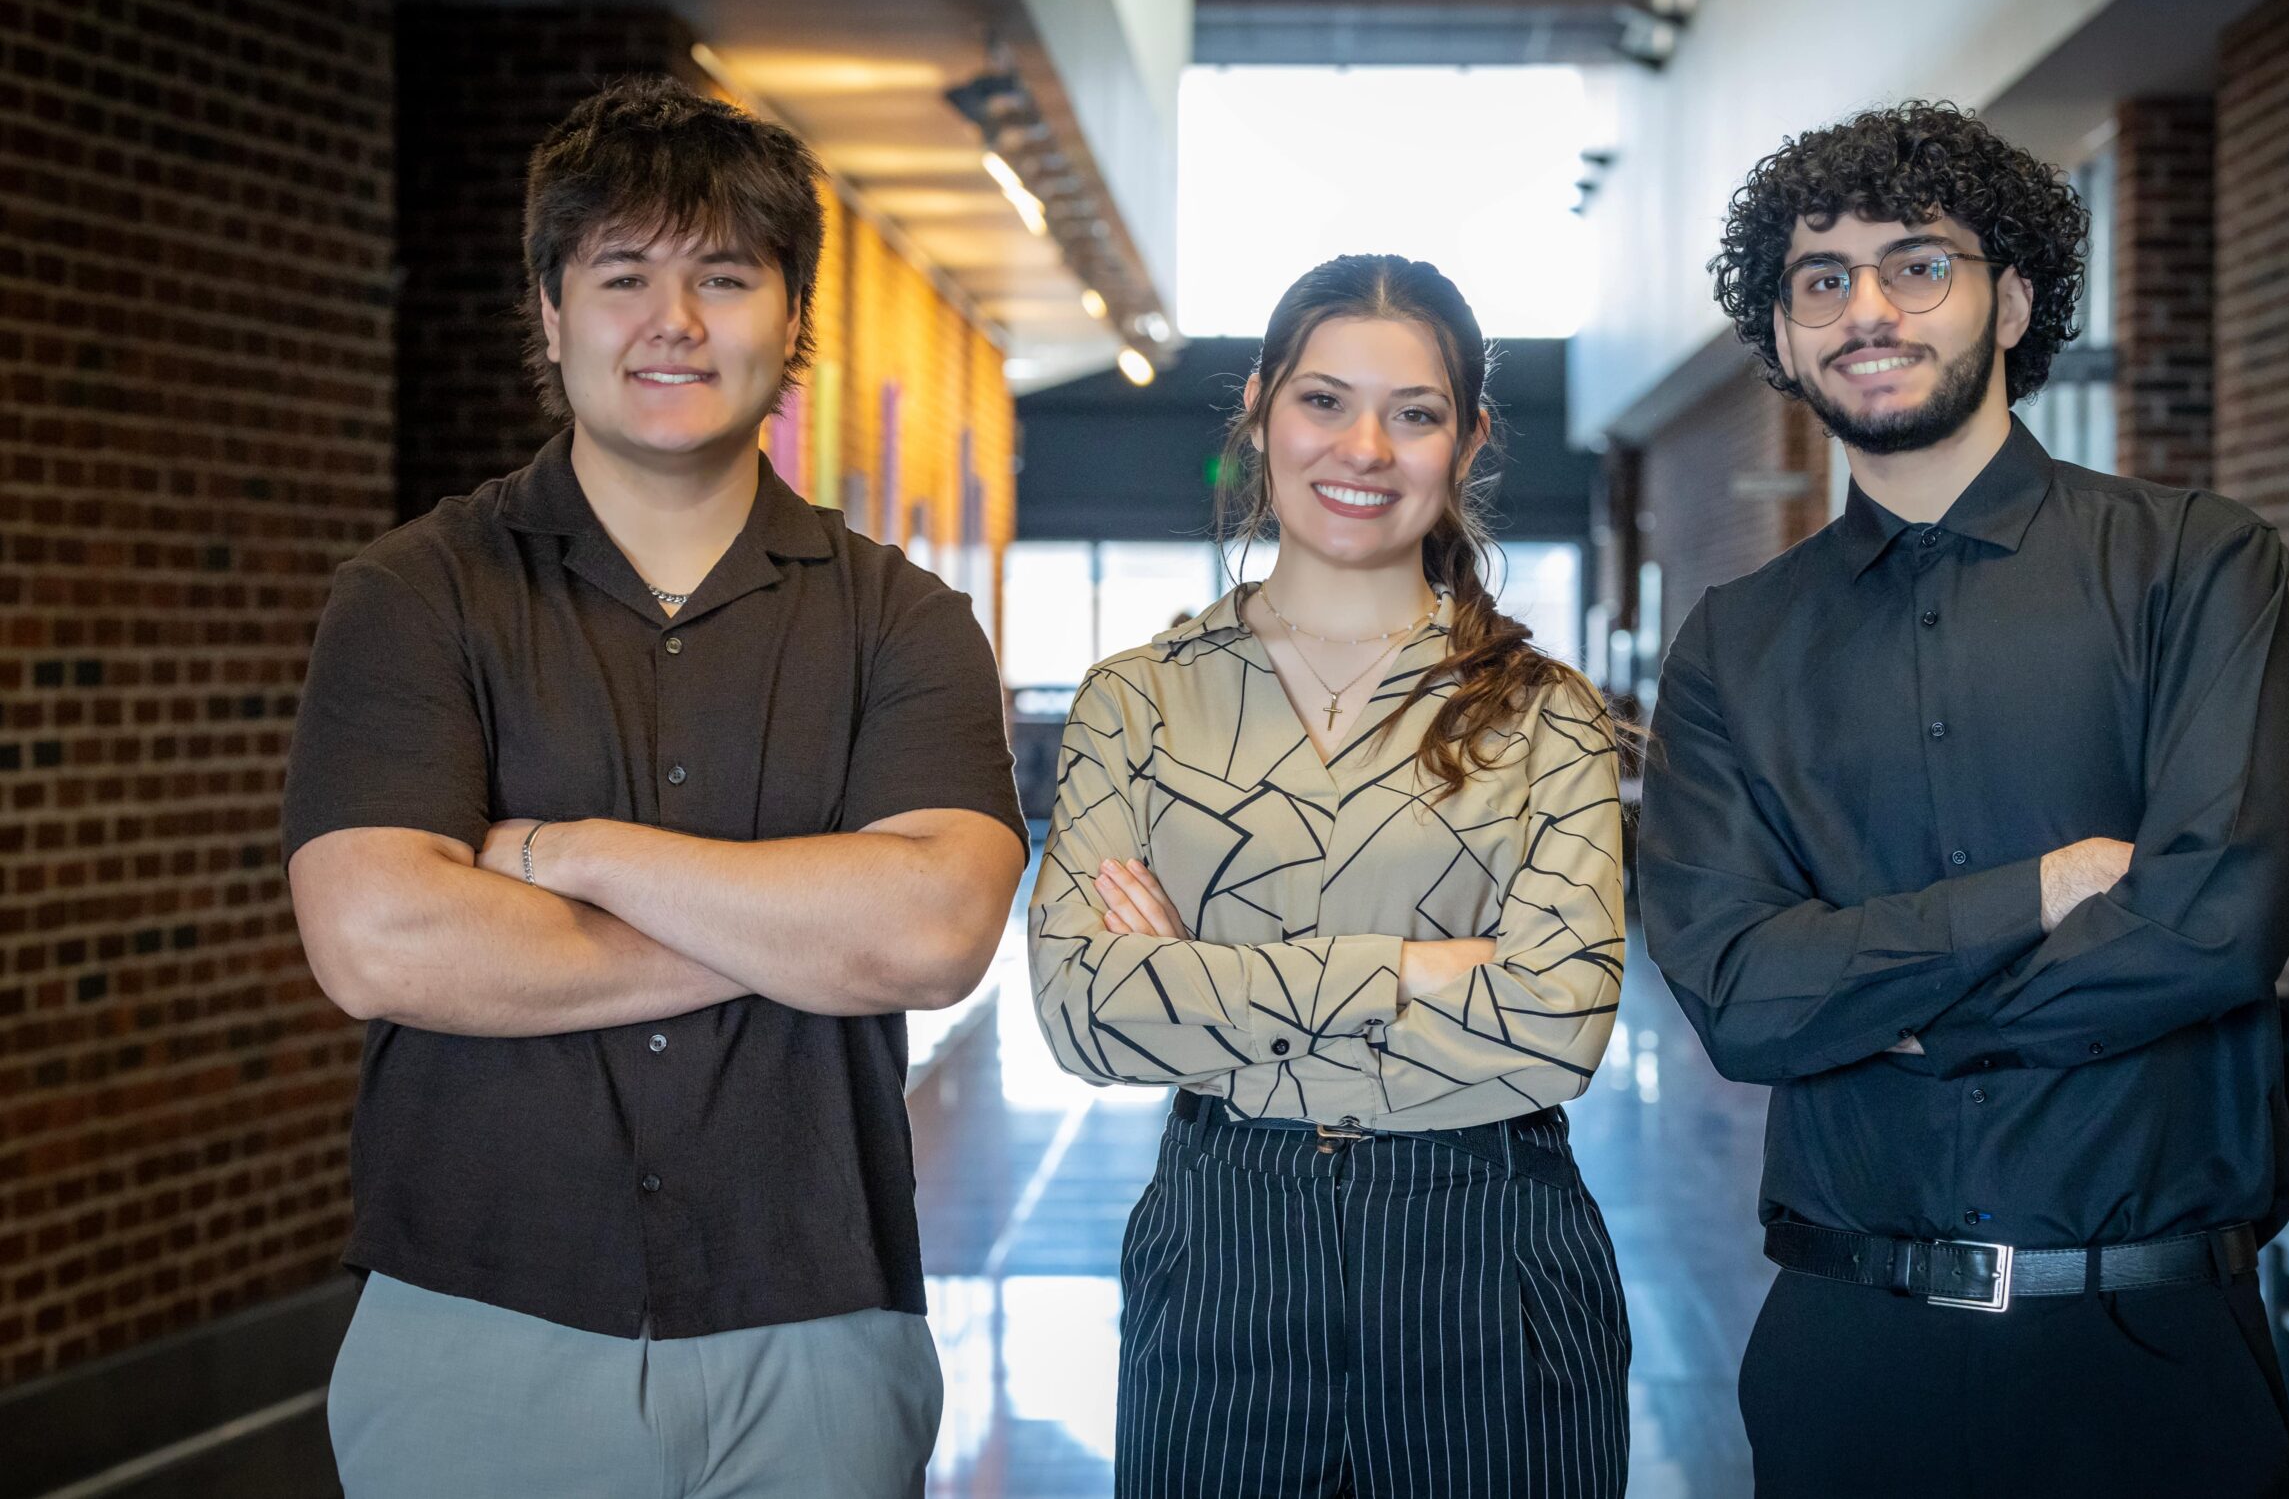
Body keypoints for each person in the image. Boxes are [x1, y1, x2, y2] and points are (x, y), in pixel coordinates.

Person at [282, 76, 1026, 1498]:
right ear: (551, 313)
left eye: (725, 278)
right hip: (479, 1322)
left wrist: (567, 851)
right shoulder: (413, 594)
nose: (673, 323)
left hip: (820, 1325)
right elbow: (380, 940)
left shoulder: (904, 621)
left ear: (793, 320)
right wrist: (795, 927)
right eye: (623, 275)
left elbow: (930, 936)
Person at [1637, 101, 2289, 1499]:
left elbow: (2214, 922)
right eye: (1821, 280)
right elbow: (1741, 999)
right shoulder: (1733, 642)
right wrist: (2034, 894)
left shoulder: (2195, 564)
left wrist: (1880, 1011)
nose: (1866, 308)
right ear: (1780, 335)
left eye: (1916, 264)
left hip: (2153, 1359)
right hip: (1849, 1358)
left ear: (2010, 299)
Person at [1031, 254, 1632, 1498]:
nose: (1363, 446)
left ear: (1465, 441)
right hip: (1224, 1242)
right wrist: (1409, 967)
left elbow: (1555, 1031)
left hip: (1486, 1245)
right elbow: (1085, 1016)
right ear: (1258, 407)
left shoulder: (1545, 716)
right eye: (1323, 400)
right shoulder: (1139, 701)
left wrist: (1199, 980)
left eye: (1412, 413)